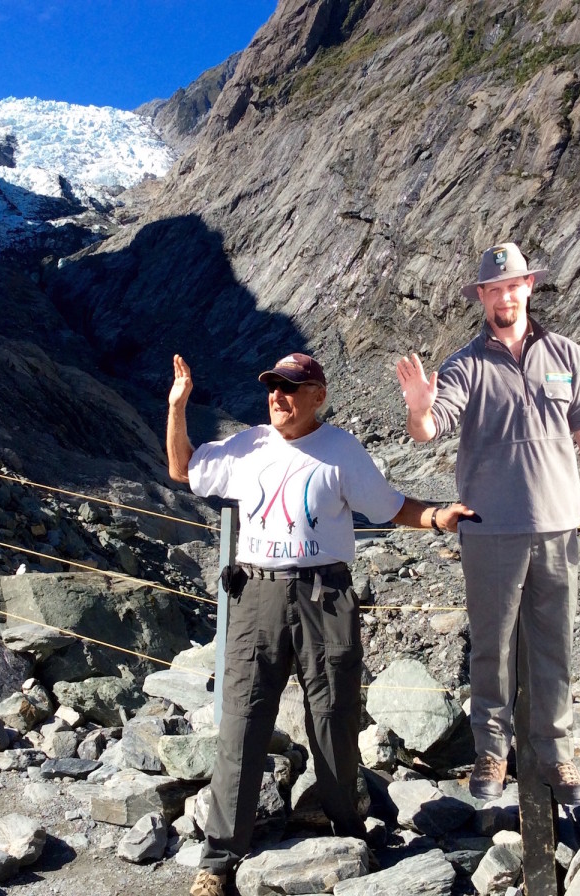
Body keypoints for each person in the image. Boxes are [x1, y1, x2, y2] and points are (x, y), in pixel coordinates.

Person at [168, 351, 473, 896]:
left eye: (290, 388)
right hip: (255, 595)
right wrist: (178, 407)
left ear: (317, 397)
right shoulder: (247, 445)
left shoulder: (341, 451)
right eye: (272, 387)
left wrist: (434, 516)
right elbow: (181, 468)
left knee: (333, 718)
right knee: (242, 721)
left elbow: (388, 506)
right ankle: (217, 862)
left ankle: (348, 831)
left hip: (323, 595)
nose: (277, 397)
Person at [395, 241, 580, 807]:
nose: (504, 297)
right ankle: (491, 751)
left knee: (555, 644)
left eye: (512, 286)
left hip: (560, 525)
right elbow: (432, 427)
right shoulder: (466, 364)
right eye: (493, 290)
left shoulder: (567, 354)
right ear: (482, 298)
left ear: (528, 288)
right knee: (491, 648)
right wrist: (420, 407)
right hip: (491, 529)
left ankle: (556, 754)